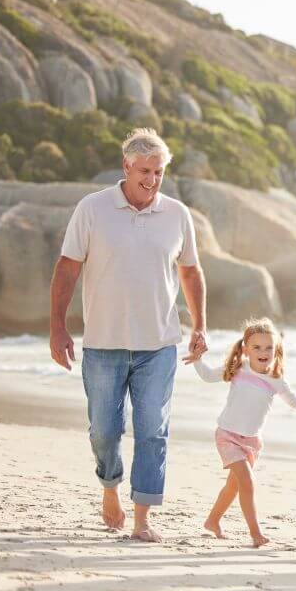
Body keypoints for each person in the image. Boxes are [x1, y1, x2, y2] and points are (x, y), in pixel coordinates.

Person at [49, 128, 207, 543]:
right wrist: (57, 326)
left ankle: (142, 519)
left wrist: (201, 325)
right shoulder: (93, 208)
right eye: (144, 171)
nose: (151, 180)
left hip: (158, 346)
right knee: (104, 430)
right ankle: (109, 487)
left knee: (153, 430)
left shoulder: (177, 214)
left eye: (158, 172)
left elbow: (190, 271)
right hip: (102, 344)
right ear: (126, 166)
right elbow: (67, 267)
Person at [187, 318, 296, 547]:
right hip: (228, 436)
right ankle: (255, 533)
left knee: (234, 486)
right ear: (245, 348)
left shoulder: (275, 380)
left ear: (277, 350)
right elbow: (207, 376)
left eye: (269, 348)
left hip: (252, 442)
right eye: (256, 347)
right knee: (247, 483)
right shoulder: (237, 369)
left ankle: (212, 521)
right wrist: (197, 360)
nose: (263, 352)